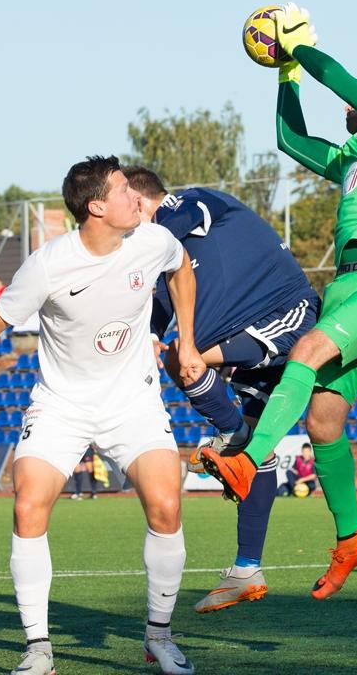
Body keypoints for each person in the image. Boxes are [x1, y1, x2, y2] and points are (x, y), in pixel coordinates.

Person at [200, 5, 357, 601]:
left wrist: (300, 45)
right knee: (324, 423)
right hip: (350, 286)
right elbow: (289, 139)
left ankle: (250, 460)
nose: (349, 107)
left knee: (302, 351)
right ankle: (352, 537)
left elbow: (343, 81)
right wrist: (284, 74)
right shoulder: (356, 157)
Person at [0, 156, 199, 675]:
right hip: (62, 404)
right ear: (97, 206)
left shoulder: (152, 240)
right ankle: (38, 650)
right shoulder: (47, 265)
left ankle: (159, 636)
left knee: (167, 505)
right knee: (27, 506)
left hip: (133, 401)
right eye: (126, 190)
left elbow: (182, 270)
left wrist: (186, 339)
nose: (138, 198)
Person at [125, 166, 320, 614]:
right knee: (257, 451)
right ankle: (247, 568)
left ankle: (231, 432)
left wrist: (129, 252)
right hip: (243, 338)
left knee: (185, 358)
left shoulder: (191, 202)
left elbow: (179, 218)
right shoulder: (164, 267)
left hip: (285, 313)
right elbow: (149, 315)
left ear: (139, 202)